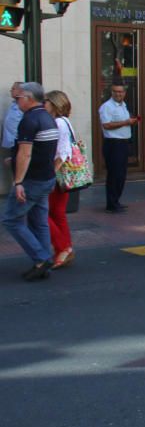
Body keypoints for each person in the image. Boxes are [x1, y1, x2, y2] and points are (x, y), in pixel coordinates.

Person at [3, 83, 59, 281]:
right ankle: (43, 263)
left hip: (32, 181)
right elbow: (41, 151)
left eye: (18, 98)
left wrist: (18, 181)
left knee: (10, 218)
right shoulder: (47, 118)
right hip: (46, 178)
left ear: (28, 98)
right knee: (39, 222)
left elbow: (25, 153)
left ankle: (42, 258)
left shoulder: (30, 119)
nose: (17, 101)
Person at [44, 91, 78, 269]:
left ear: (55, 104)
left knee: (42, 213)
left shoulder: (58, 123)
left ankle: (62, 247)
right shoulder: (64, 122)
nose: (44, 104)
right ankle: (65, 249)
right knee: (57, 213)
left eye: (46, 101)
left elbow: (63, 153)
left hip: (57, 175)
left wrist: (50, 174)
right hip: (62, 175)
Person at [99, 83, 139, 213]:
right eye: (115, 91)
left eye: (121, 92)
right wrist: (126, 122)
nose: (118, 94)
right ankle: (111, 204)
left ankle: (116, 201)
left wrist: (131, 121)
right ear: (111, 92)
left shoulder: (124, 105)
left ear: (124, 93)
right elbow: (106, 125)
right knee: (114, 174)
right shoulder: (106, 107)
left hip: (123, 143)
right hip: (113, 143)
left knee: (121, 174)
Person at [2, 82, 24, 152]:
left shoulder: (24, 106)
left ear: (21, 90)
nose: (11, 90)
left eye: (13, 89)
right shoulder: (14, 104)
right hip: (11, 143)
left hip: (19, 142)